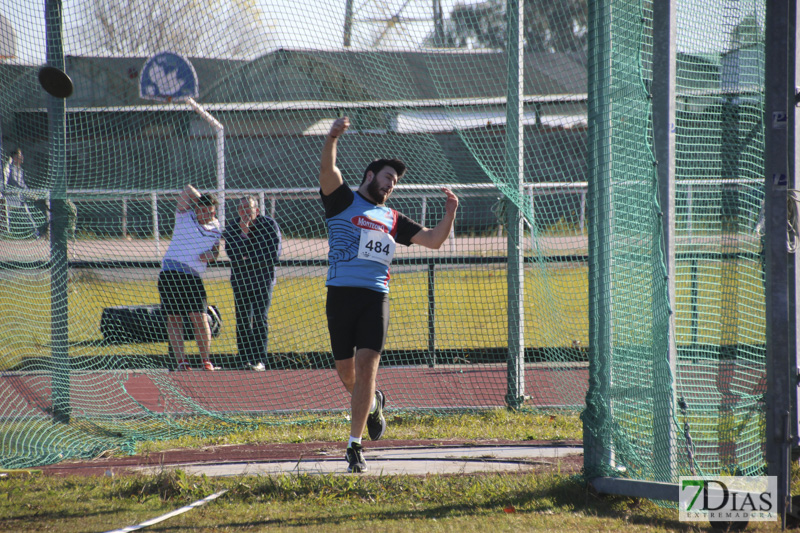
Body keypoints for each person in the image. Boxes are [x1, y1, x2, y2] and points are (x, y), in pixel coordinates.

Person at [319, 116, 459, 473]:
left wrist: (451, 212)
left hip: (375, 297)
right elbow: (328, 168)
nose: (391, 186)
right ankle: (375, 404)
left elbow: (433, 240)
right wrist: (333, 136)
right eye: (387, 178)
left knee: (367, 367)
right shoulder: (341, 200)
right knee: (347, 375)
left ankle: (354, 446)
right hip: (340, 296)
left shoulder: (391, 218)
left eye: (395, 183)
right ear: (370, 176)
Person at [157, 184, 222, 371]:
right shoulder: (185, 216)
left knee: (200, 318)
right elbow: (187, 190)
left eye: (212, 212)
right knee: (175, 319)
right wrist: (201, 201)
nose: (209, 215)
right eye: (205, 211)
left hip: (193, 277)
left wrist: (212, 255)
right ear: (197, 209)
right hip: (171, 274)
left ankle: (205, 361)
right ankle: (181, 362)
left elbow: (216, 252)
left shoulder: (216, 227)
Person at [222, 196, 282, 371]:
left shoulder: (269, 225)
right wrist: (244, 234)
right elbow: (233, 254)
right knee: (242, 320)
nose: (245, 212)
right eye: (242, 209)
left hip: (263, 280)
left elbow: (273, 255)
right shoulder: (233, 227)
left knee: (260, 318)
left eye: (249, 208)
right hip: (240, 282)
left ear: (257, 210)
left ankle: (259, 359)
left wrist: (248, 258)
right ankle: (244, 359)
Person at [1, 148, 39, 237]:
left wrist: (30, 193)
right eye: (19, 155)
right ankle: (6, 233)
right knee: (6, 215)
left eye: (21, 155)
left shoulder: (20, 170)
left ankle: (35, 232)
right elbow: (13, 182)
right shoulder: (9, 168)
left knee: (26, 211)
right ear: (14, 157)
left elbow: (22, 184)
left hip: (18, 197)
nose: (22, 157)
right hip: (9, 197)